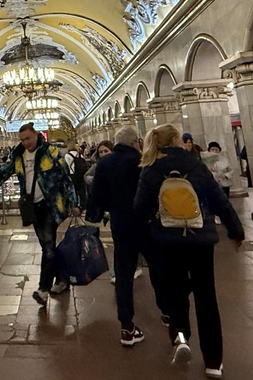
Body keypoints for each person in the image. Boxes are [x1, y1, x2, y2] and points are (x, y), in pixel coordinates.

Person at [135, 124, 244, 378]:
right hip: (200, 238)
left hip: (167, 240)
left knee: (176, 292)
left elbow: (140, 209)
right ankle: (213, 361)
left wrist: (143, 238)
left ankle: (181, 337)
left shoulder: (150, 169)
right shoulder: (195, 164)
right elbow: (218, 199)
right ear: (176, 139)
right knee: (206, 297)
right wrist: (235, 230)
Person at [0, 123, 80, 306]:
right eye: (22, 140)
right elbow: (3, 173)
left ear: (36, 135)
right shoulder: (18, 155)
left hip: (51, 205)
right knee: (46, 247)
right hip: (32, 206)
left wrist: (74, 203)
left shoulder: (51, 152)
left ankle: (43, 290)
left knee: (48, 245)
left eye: (28, 138)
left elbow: (66, 179)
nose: (25, 142)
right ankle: (63, 278)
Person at [89, 126, 166, 348]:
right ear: (135, 142)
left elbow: (97, 195)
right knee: (157, 267)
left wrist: (106, 209)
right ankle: (167, 312)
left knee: (123, 274)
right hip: (145, 223)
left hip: (121, 224)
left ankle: (127, 327)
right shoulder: (143, 161)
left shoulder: (105, 163)